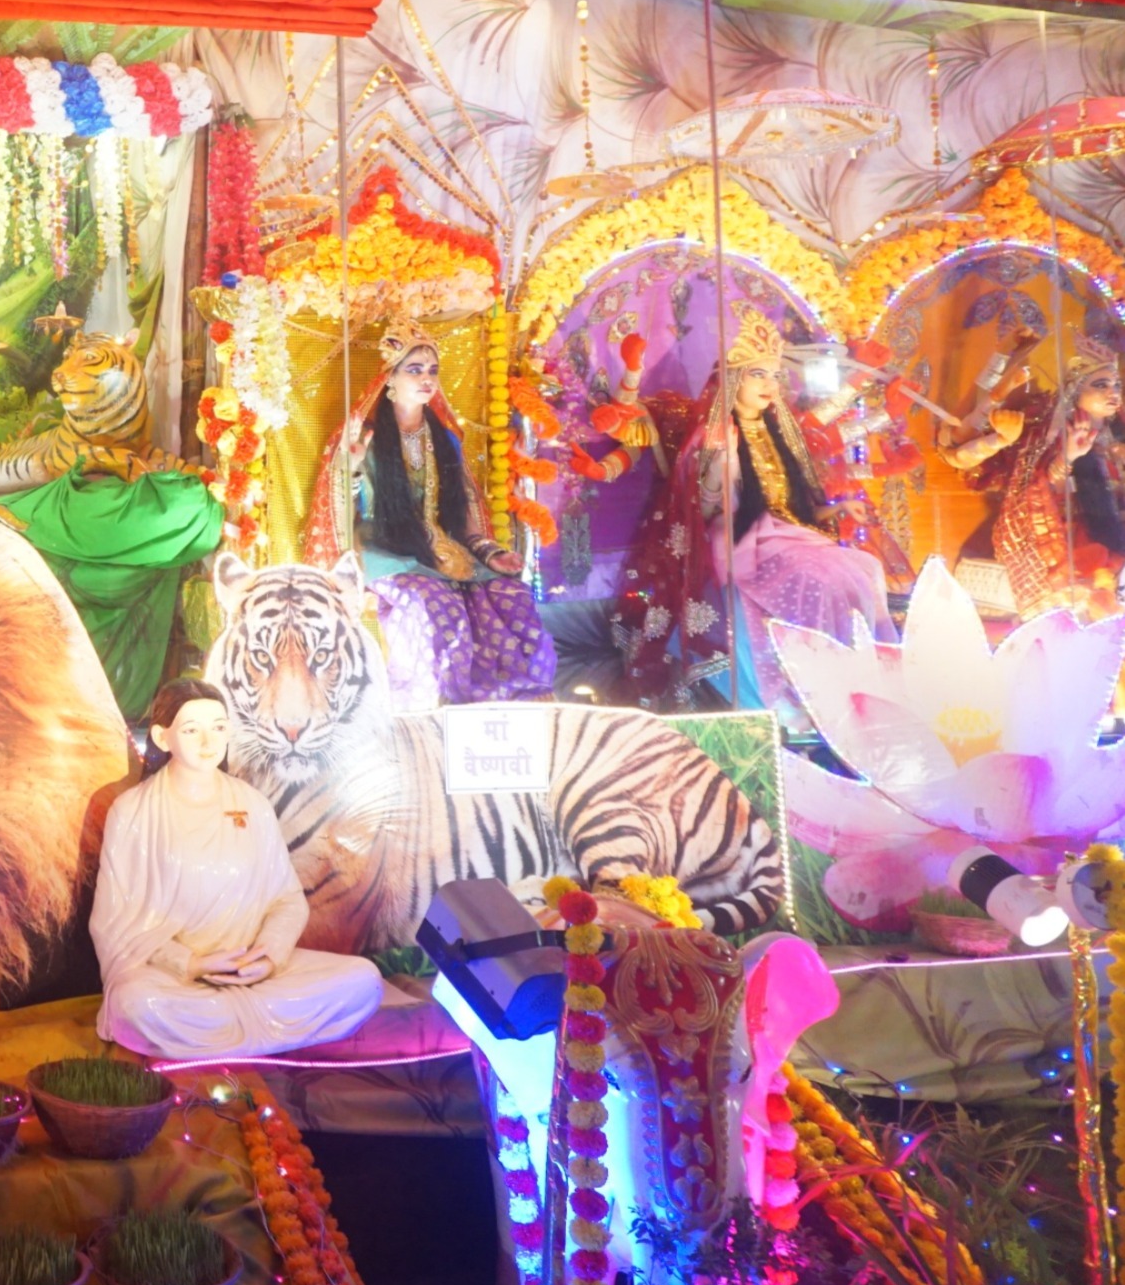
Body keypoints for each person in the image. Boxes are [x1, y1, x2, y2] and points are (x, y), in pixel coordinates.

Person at [614, 305, 898, 723]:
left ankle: (858, 688)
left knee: (865, 568)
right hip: (742, 541)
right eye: (757, 374)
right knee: (819, 580)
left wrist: (838, 507)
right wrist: (718, 464)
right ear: (732, 379)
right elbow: (705, 510)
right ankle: (806, 694)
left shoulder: (780, 431)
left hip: (789, 535)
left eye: (774, 375)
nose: (769, 384)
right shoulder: (714, 436)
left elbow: (790, 505)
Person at [91, 680, 385, 1060]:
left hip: (255, 970)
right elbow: (114, 922)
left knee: (364, 980)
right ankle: (244, 1029)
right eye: (191, 730)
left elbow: (287, 901)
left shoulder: (252, 804)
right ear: (163, 738)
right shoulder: (133, 812)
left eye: (218, 727)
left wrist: (267, 957)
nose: (207, 742)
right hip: (172, 978)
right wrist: (190, 963)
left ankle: (221, 1032)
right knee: (136, 1005)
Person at [304, 317, 553, 707]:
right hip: (385, 552)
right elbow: (343, 517)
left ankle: (515, 703)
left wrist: (489, 553)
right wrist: (351, 468)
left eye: (433, 370)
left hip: (445, 550)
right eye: (415, 369)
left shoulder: (446, 438)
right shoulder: (363, 437)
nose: (427, 379)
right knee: (435, 606)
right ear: (389, 377)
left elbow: (463, 515)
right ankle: (437, 705)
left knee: (512, 598)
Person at [946, 331, 1125, 617]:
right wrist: (1067, 458)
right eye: (1101, 385)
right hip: (1064, 541)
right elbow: (1036, 490)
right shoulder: (1050, 433)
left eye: (1116, 385)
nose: (1113, 392)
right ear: (1075, 391)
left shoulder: (1113, 440)